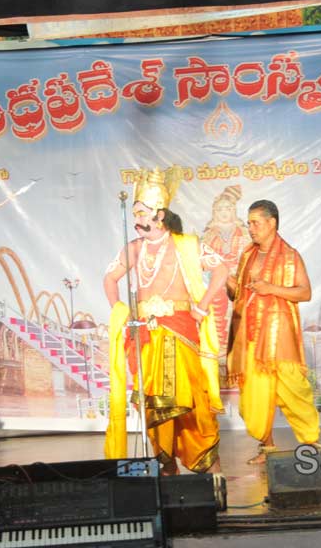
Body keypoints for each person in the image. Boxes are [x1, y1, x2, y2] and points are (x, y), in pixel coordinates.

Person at [103, 166, 227, 474]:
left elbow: (221, 269)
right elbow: (109, 278)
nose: (138, 220)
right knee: (153, 407)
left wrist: (201, 307)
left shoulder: (185, 244)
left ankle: (214, 476)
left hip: (180, 330)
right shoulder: (133, 248)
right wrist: (121, 310)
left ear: (160, 215)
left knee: (193, 401)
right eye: (135, 214)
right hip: (146, 336)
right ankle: (167, 473)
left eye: (143, 213)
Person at [227, 200, 319, 465]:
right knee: (254, 396)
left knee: (293, 389)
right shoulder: (248, 255)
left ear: (272, 223)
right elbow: (239, 295)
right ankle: (266, 448)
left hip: (280, 334)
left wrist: (271, 288)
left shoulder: (290, 256)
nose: (250, 228)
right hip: (252, 334)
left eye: (255, 222)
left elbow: (305, 292)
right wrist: (228, 283)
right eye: (248, 223)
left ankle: (311, 443)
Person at [201, 185, 250, 358]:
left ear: (234, 211)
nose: (224, 212)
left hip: (240, 279)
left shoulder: (244, 233)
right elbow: (203, 263)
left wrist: (236, 272)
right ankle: (220, 345)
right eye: (220, 209)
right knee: (217, 298)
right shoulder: (208, 235)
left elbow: (250, 258)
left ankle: (241, 346)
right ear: (215, 211)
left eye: (228, 208)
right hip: (217, 281)